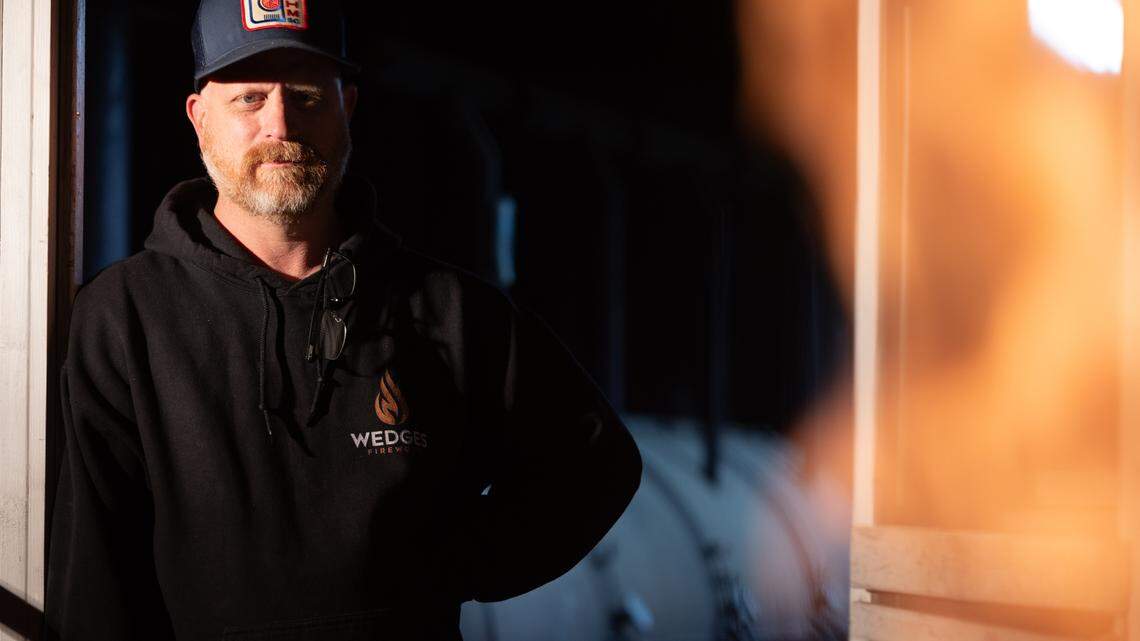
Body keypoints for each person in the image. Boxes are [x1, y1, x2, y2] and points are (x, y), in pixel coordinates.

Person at [44, 1, 642, 639]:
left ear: (347, 107)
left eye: (305, 94)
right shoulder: (125, 317)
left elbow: (595, 463)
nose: (281, 122)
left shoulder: (448, 310)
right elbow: (96, 584)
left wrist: (455, 564)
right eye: (249, 98)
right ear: (199, 118)